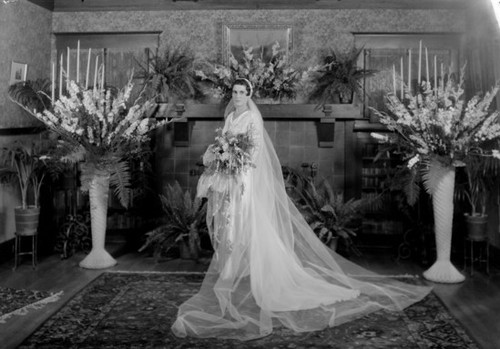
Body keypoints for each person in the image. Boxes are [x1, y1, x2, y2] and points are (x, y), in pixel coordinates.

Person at [171, 78, 432, 341]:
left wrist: (238, 162)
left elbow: (256, 150)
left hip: (245, 178)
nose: (237, 96)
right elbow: (225, 143)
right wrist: (222, 157)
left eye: (242, 92)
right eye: (235, 92)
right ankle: (232, 267)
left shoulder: (252, 117)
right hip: (231, 177)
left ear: (249, 95)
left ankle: (254, 270)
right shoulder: (230, 117)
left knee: (245, 220)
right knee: (231, 220)